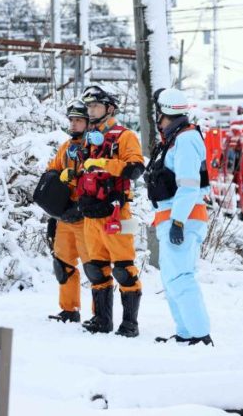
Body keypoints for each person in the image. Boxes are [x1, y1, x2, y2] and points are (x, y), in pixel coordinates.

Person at [146, 88, 213, 346]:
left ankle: (200, 334)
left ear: (164, 114)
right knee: (171, 278)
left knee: (181, 277)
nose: (157, 120)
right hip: (172, 216)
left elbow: (188, 185)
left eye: (158, 114)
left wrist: (178, 221)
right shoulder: (175, 140)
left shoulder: (185, 140)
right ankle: (186, 332)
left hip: (182, 218)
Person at [77, 85, 145, 337]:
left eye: (95, 106)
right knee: (96, 268)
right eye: (89, 107)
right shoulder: (89, 136)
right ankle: (101, 320)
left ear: (110, 109)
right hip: (91, 213)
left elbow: (136, 168)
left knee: (124, 269)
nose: (91, 111)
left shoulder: (124, 136)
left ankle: (130, 324)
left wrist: (105, 163)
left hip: (118, 213)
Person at [45, 99, 90, 323]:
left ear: (88, 122)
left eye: (78, 120)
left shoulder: (94, 146)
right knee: (63, 264)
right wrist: (54, 211)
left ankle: (101, 315)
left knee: (95, 267)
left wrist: (82, 207)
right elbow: (51, 172)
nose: (73, 125)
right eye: (71, 120)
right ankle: (69, 309)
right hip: (65, 216)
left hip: (87, 217)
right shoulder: (65, 147)